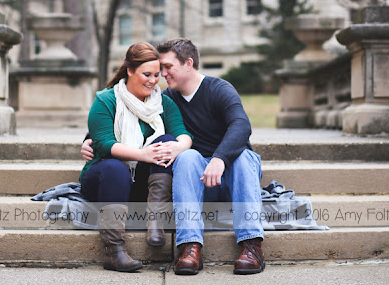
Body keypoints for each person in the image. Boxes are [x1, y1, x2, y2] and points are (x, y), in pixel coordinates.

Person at [82, 38, 265, 275]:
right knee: (187, 157)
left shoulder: (217, 89)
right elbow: (106, 129)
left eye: (166, 68)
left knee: (242, 157)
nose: (160, 75)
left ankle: (251, 245)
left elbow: (241, 125)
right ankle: (190, 246)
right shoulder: (168, 98)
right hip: (195, 180)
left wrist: (219, 159)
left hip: (229, 173)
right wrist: (87, 141)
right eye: (157, 69)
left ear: (188, 63)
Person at [80, 42, 193, 272]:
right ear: (129, 71)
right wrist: (143, 154)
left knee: (167, 141)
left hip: (144, 185)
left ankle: (155, 223)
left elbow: (184, 135)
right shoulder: (106, 101)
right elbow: (103, 143)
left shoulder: (163, 103)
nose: (153, 81)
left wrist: (177, 147)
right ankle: (114, 251)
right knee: (115, 167)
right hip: (106, 181)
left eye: (156, 75)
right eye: (146, 74)